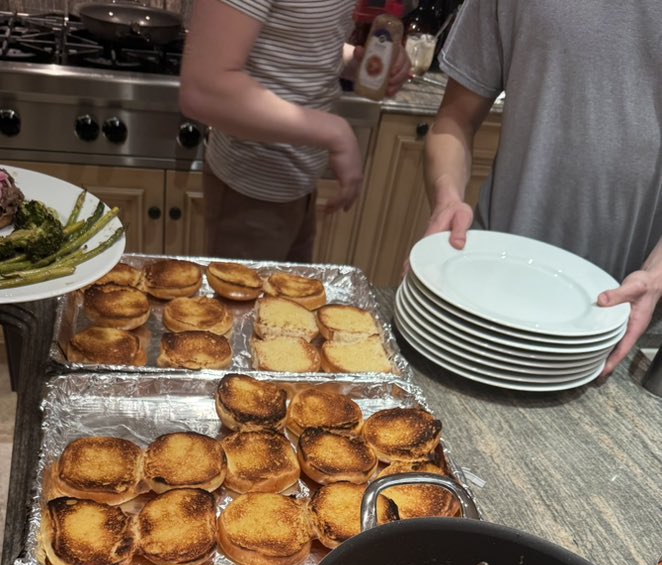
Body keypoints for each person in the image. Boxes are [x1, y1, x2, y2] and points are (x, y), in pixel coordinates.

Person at [419, 0, 662, 377]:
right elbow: (454, 120)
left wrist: (657, 275)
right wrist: (447, 194)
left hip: (620, 318)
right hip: (478, 300)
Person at [179, 0, 410, 263]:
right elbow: (203, 89)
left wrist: (367, 65)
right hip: (251, 191)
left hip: (301, 181)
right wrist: (335, 133)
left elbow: (294, 41)